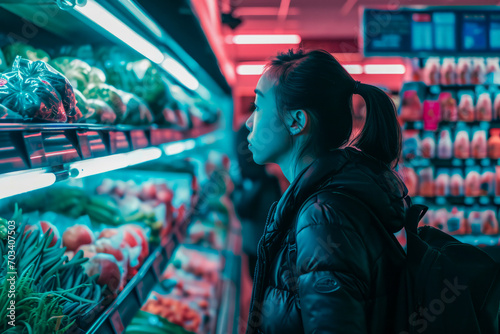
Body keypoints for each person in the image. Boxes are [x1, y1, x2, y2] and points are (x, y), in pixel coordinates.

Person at [245, 49, 407, 334]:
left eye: (257, 107)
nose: (249, 122)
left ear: (296, 121)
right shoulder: (323, 204)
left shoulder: (323, 219)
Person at [233, 124, 282, 279]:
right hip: (260, 210)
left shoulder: (249, 129)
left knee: (260, 265)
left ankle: (258, 297)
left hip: (258, 208)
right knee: (261, 264)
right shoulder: (249, 130)